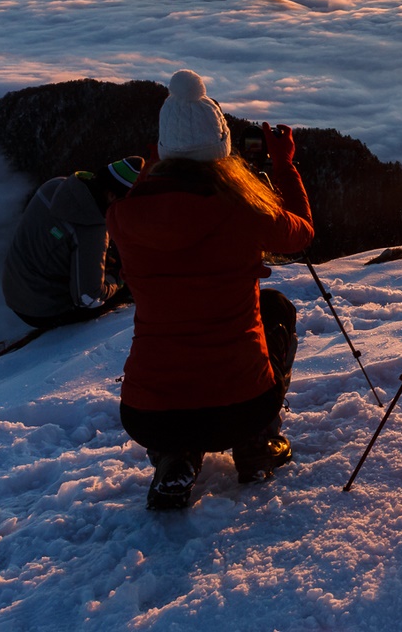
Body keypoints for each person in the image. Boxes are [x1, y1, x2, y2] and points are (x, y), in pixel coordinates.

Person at [107, 69, 313, 510]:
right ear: (221, 148)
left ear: (163, 151)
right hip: (241, 406)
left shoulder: (123, 218)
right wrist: (283, 166)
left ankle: (175, 456)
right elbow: (301, 235)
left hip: (149, 413)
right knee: (275, 308)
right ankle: (257, 443)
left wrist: (153, 169)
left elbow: (173, 237)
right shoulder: (243, 212)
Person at [1, 156, 144, 329]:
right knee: (130, 278)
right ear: (111, 195)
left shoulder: (57, 185)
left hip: (15, 287)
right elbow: (89, 298)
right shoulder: (91, 231)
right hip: (40, 310)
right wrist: (119, 278)